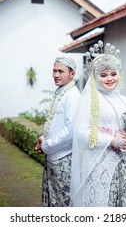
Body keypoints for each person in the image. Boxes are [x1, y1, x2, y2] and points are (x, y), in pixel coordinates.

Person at [70, 41, 126, 207]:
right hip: (100, 164)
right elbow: (80, 132)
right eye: (103, 75)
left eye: (113, 73)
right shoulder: (90, 99)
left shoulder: (124, 100)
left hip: (125, 164)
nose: (110, 78)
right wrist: (110, 140)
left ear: (119, 74)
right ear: (96, 77)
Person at [35, 56, 80, 207]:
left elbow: (70, 131)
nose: (56, 74)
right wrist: (43, 139)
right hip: (53, 155)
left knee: (63, 202)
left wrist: (46, 146)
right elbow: (54, 122)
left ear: (72, 74)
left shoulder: (73, 95)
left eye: (61, 71)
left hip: (63, 158)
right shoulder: (61, 92)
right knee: (52, 199)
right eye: (54, 71)